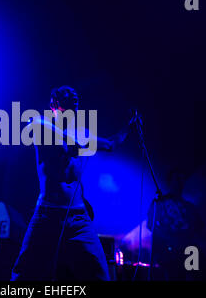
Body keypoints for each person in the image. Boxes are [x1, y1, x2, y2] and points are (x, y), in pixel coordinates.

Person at [11, 86, 133, 281]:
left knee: (100, 274)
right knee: (25, 274)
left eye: (74, 100)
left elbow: (111, 144)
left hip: (79, 218)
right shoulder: (40, 124)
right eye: (65, 98)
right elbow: (68, 147)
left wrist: (129, 125)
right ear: (53, 104)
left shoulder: (81, 133)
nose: (72, 101)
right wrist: (86, 141)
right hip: (47, 215)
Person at [146, 168, 206, 280]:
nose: (180, 181)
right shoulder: (160, 202)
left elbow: (200, 228)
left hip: (189, 250)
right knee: (174, 276)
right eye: (177, 178)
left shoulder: (189, 206)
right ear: (170, 182)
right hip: (168, 251)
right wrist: (168, 240)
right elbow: (150, 225)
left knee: (194, 276)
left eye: (182, 178)